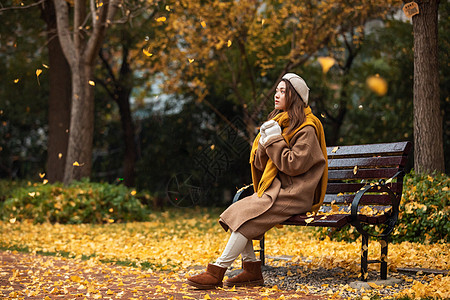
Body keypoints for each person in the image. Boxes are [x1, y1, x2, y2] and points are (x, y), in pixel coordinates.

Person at [187, 73, 328, 290]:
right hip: (277, 190)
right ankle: (251, 271)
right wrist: (264, 143)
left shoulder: (307, 128)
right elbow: (262, 166)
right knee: (240, 212)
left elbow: (292, 164)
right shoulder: (281, 123)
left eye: (283, 91)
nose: (277, 95)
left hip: (296, 194)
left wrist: (273, 139)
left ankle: (216, 271)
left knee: (246, 222)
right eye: (277, 90)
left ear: (295, 96)